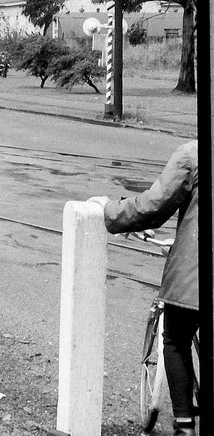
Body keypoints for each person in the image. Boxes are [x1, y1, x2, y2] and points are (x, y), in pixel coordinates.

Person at [91, 139, 200, 436]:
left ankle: (184, 426)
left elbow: (153, 206)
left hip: (195, 278)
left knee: (175, 339)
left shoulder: (192, 153)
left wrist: (109, 210)